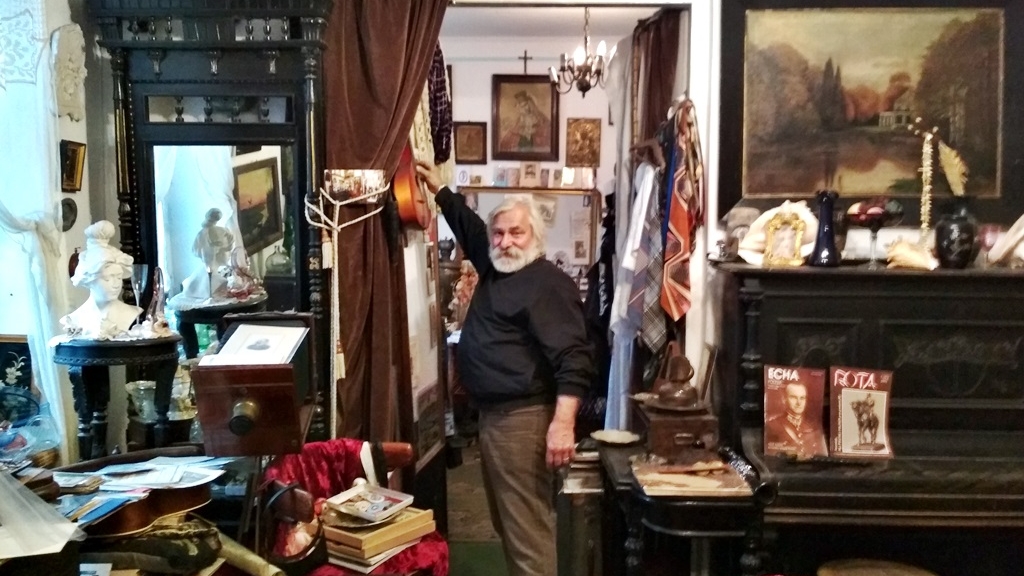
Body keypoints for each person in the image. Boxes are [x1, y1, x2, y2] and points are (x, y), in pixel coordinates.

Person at [416, 159, 594, 576]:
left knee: (526, 533)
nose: (505, 241)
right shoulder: (497, 265)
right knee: (509, 526)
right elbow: (471, 229)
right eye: (499, 233)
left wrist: (563, 425)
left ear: (535, 237)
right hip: (496, 419)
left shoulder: (547, 284)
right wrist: (441, 190)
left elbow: (574, 359)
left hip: (524, 422)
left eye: (517, 232)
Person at [62, 220, 142, 339]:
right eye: (107, 279)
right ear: (89, 280)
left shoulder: (131, 313)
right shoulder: (75, 319)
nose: (115, 285)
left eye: (119, 277)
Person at [764, 381, 827, 459]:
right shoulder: (772, 426)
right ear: (784, 399)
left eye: (802, 398)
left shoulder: (813, 427)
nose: (799, 403)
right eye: (793, 397)